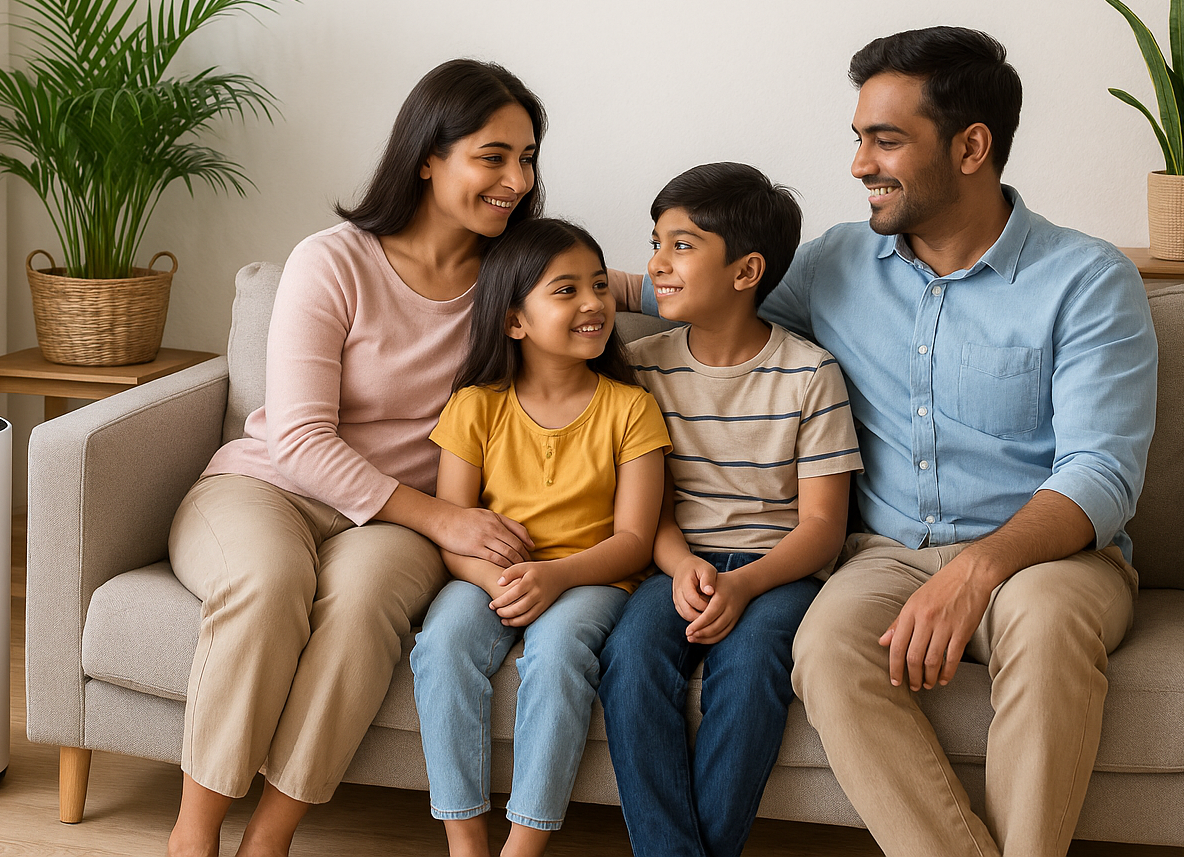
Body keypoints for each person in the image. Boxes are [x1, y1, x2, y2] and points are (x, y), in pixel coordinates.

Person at [165, 61, 644, 857]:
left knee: (361, 610)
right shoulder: (333, 259)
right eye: (493, 157)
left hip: (389, 526)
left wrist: (757, 279)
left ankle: (269, 841)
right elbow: (300, 439)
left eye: (527, 159)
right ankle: (194, 836)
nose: (517, 180)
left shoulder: (516, 275)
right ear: (429, 155)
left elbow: (652, 284)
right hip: (271, 487)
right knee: (270, 580)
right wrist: (448, 520)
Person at [754, 27, 1158, 857]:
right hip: (885, 554)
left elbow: (1103, 471)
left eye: (887, 140)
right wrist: (581, 287)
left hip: (1053, 561)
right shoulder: (836, 262)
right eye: (860, 139)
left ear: (972, 146)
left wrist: (979, 567)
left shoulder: (1087, 280)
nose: (861, 164)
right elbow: (721, 302)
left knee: (1045, 629)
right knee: (826, 650)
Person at [598, 163, 863, 857]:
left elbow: (822, 529)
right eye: (656, 242)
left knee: (747, 674)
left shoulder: (811, 374)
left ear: (746, 272)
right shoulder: (639, 366)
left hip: (779, 571)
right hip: (675, 562)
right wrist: (682, 564)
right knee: (629, 657)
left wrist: (744, 584)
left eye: (682, 246)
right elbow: (645, 507)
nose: (657, 263)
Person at [411, 218, 671, 857]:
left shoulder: (630, 407)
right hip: (493, 575)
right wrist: (491, 579)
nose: (593, 303)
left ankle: (523, 846)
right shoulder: (474, 405)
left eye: (601, 286)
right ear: (513, 321)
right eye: (566, 290)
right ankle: (466, 840)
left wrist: (554, 577)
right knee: (442, 644)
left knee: (556, 657)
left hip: (594, 575)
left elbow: (636, 539)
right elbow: (454, 529)